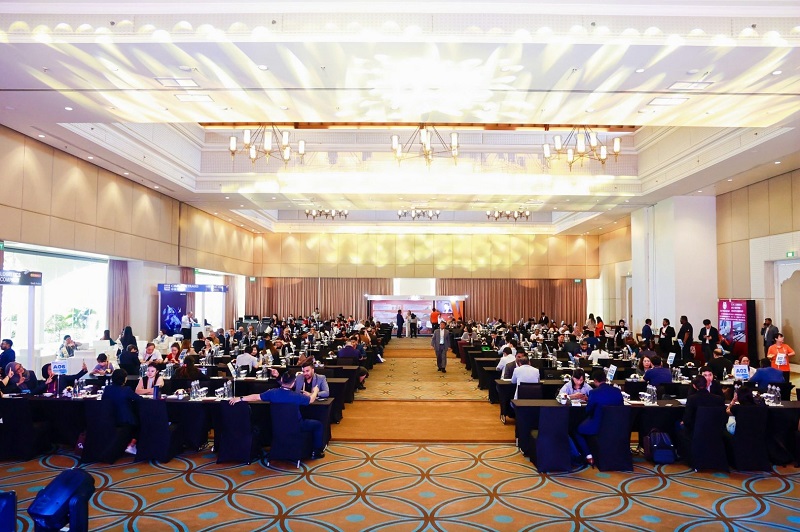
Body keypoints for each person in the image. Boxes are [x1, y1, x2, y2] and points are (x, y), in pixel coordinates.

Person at [231, 370, 326, 458]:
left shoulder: (272, 393)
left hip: (277, 427)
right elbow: (311, 400)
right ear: (293, 383)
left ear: (281, 380)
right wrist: (315, 391)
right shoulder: (297, 396)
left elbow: (256, 397)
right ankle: (316, 452)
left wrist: (240, 398)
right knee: (318, 425)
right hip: (296, 426)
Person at [573, 368, 623, 466]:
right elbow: (621, 408)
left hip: (597, 425)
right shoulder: (617, 391)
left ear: (595, 381)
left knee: (576, 430)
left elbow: (588, 411)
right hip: (615, 425)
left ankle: (588, 455)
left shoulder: (594, 393)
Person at [678, 374, 725, 452]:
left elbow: (687, 419)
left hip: (696, 431)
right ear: (707, 384)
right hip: (715, 431)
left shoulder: (692, 399)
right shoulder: (718, 399)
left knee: (678, 426)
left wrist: (684, 422)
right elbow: (723, 417)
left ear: (694, 386)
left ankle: (682, 453)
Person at [102, 369, 143, 454]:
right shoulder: (126, 390)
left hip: (111, 418)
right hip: (125, 420)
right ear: (124, 379)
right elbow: (140, 399)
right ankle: (132, 445)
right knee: (142, 421)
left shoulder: (107, 389)